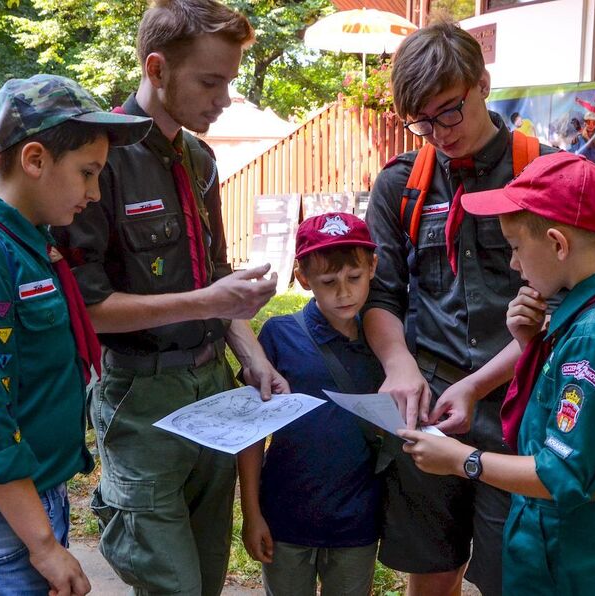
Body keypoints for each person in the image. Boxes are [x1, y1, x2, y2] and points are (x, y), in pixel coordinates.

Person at [51, 2, 288, 595]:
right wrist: (210, 300)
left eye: (230, 81)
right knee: (171, 586)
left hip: (214, 388)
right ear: (156, 69)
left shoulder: (200, 158)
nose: (224, 97)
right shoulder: (98, 162)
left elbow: (216, 282)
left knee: (206, 580)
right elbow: (89, 309)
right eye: (211, 81)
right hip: (140, 398)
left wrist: (254, 357)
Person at [0, 74, 152, 595]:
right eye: (87, 173)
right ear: (35, 160)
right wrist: (41, 544)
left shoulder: (25, 243)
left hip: (23, 502)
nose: (93, 193)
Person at [400, 151, 595, 595]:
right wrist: (529, 346)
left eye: (517, 248)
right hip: (565, 532)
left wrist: (462, 461)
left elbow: (561, 472)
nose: (515, 265)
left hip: (567, 544)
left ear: (559, 244)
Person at [362, 19, 555, 596]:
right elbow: (382, 292)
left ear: (484, 83)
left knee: (509, 571)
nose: (438, 132)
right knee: (432, 565)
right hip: (433, 401)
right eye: (420, 121)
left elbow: (563, 307)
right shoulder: (401, 184)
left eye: (449, 111)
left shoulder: (546, 174)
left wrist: (477, 386)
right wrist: (399, 368)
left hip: (524, 405)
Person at [238, 212, 385, 596]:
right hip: (286, 518)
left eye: (354, 278)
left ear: (373, 267)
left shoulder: (385, 340)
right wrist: (252, 514)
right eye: (328, 281)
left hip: (358, 520)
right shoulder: (278, 335)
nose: (344, 293)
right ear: (303, 278)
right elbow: (252, 434)